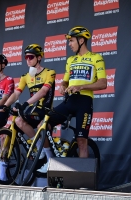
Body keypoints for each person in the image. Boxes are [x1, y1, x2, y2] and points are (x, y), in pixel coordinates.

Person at [46, 26, 107, 173]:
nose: (69, 44)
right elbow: (66, 81)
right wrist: (62, 86)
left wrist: (81, 87)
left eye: (71, 41)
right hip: (69, 101)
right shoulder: (70, 59)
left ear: (81, 40)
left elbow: (103, 83)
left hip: (84, 102)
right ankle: (49, 160)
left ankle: (83, 179)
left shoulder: (96, 57)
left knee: (81, 141)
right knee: (45, 122)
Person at [0, 44, 56, 180]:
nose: (28, 60)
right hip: (32, 109)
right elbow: (16, 93)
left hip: (46, 110)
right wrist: (6, 106)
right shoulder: (25, 76)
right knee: (18, 120)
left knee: (39, 126)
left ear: (39, 58)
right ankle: (40, 150)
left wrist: (25, 104)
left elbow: (43, 92)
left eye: (31, 57)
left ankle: (50, 159)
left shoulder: (50, 72)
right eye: (26, 57)